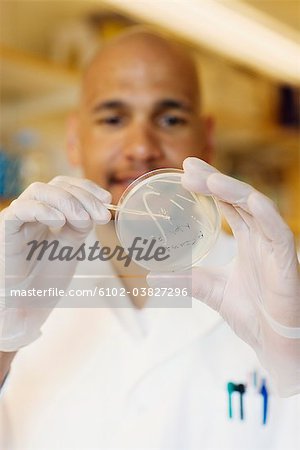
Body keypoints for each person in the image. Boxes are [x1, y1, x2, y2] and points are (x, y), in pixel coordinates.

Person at [0, 28, 299, 449]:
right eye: (113, 119)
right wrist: (3, 344)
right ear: (74, 139)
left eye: (170, 119)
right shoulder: (14, 278)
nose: (141, 148)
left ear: (207, 138)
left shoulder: (280, 285)